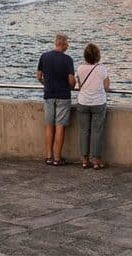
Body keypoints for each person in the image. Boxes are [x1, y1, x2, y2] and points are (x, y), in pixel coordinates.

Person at [36, 34, 77, 166]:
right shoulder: (68, 60)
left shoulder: (44, 57)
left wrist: (45, 83)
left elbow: (39, 76)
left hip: (49, 95)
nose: (68, 46)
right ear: (64, 44)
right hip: (63, 96)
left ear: (55, 43)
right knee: (60, 127)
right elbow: (71, 81)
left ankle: (48, 156)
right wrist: (71, 86)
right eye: (67, 43)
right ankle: (57, 158)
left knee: (49, 126)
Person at [75, 43, 111, 169]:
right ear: (98, 56)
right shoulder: (102, 69)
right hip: (98, 103)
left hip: (83, 102)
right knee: (97, 132)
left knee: (84, 131)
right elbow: (107, 87)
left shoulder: (80, 68)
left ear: (85, 56)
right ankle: (96, 161)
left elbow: (79, 86)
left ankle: (84, 160)